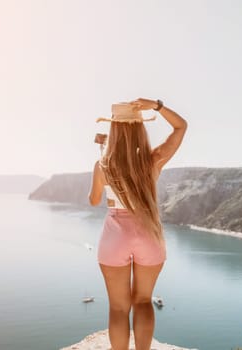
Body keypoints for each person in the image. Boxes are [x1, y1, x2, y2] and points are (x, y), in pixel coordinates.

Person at [88, 97, 188, 350]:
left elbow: (94, 200)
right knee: (143, 301)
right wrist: (158, 106)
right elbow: (181, 127)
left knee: (119, 307)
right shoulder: (152, 160)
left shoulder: (103, 165)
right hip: (148, 233)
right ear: (139, 128)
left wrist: (102, 157)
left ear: (113, 130)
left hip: (115, 237)